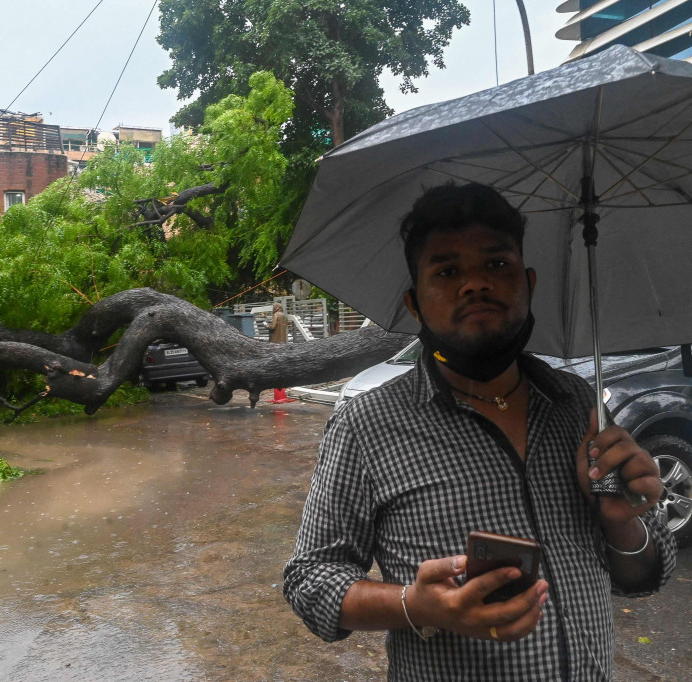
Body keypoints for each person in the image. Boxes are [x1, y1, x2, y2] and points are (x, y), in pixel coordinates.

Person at [283, 182, 676, 681]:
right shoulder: (368, 424)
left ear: (528, 281)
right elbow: (310, 579)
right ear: (415, 304)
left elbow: (645, 574)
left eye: (496, 264)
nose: (475, 284)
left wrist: (622, 522)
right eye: (447, 271)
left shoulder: (577, 405)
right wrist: (415, 605)